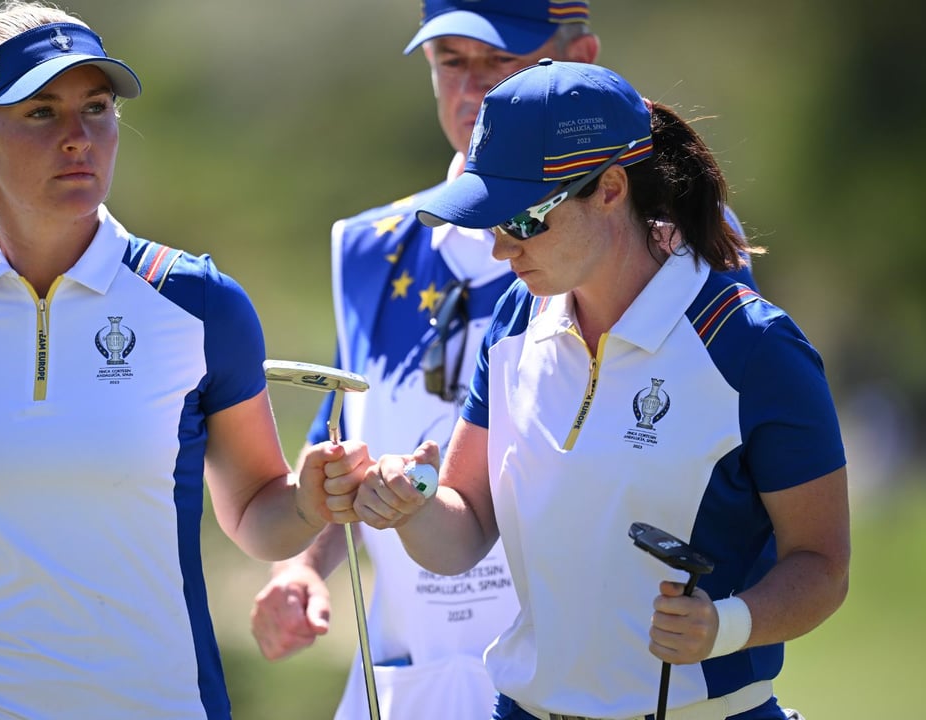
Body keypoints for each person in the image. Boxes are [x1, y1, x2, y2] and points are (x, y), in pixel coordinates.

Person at [0, 3, 367, 718]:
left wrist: (310, 504)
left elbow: (258, 511)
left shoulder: (198, 303)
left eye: (96, 108)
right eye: (41, 112)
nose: (79, 138)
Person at [350, 60, 850, 720]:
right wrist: (410, 507)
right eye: (487, 224)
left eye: (522, 221)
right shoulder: (513, 323)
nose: (500, 251)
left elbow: (822, 565)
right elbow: (463, 532)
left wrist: (726, 625)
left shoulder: (754, 347)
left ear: (611, 188)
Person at [249, 3, 602, 719]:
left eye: (500, 61)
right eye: (450, 61)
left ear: (583, 59)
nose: (471, 89)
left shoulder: (644, 239)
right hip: (414, 686)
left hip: (582, 681)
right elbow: (343, 438)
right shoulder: (367, 246)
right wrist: (301, 568)